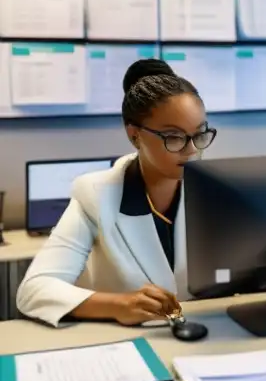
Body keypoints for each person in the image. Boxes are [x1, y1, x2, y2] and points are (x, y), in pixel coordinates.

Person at [16, 59, 216, 327]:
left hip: (208, 339)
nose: (192, 150)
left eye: (200, 134)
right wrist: (118, 305)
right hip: (128, 343)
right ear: (135, 136)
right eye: (174, 137)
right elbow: (34, 290)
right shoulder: (96, 194)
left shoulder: (216, 190)